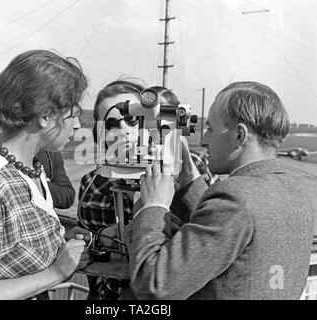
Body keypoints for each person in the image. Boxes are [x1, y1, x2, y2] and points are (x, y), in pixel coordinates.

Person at [125, 81, 315, 300]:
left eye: (211, 129)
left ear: (239, 136)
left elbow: (154, 285)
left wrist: (152, 207)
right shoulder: (295, 193)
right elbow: (225, 234)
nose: (205, 139)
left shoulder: (235, 197)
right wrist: (189, 181)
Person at [0, 49, 91, 300]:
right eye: (72, 114)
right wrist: (55, 273)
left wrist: (59, 245)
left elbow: (9, 257)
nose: (77, 125)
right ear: (44, 117)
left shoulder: (31, 168)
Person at [78, 81, 217, 299]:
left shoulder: (191, 168)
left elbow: (213, 236)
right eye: (112, 123)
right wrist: (99, 239)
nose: (123, 130)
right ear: (99, 133)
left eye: (132, 120)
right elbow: (88, 248)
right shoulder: (93, 182)